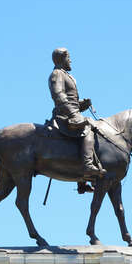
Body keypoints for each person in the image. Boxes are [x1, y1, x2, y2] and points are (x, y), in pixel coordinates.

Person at [48, 47, 106, 185]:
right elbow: (59, 96)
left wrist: (82, 105)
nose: (70, 60)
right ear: (62, 58)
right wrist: (74, 113)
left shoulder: (66, 75)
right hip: (64, 116)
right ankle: (87, 166)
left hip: (71, 113)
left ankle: (82, 182)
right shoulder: (57, 73)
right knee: (88, 129)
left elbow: (71, 101)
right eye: (68, 57)